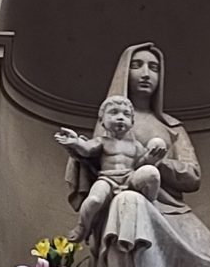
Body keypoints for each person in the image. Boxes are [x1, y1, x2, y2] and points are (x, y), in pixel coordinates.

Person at [65, 43, 210, 267]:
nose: (145, 73)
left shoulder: (171, 126)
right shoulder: (110, 120)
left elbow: (192, 175)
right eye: (137, 65)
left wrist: (157, 162)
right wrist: (78, 150)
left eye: (153, 68)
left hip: (168, 207)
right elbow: (91, 164)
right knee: (128, 203)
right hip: (123, 200)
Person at [54, 95, 167, 242]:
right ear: (102, 121)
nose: (120, 117)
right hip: (107, 179)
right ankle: (82, 227)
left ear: (132, 122)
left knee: (152, 173)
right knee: (94, 200)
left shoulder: (136, 145)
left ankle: (152, 208)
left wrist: (151, 158)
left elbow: (140, 164)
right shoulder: (102, 141)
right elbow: (87, 150)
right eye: (114, 112)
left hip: (129, 178)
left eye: (126, 114)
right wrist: (75, 142)